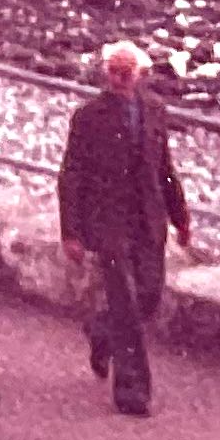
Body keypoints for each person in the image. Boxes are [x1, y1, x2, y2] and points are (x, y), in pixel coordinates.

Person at [58, 41, 190, 419]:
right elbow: (71, 175)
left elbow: (165, 169)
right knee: (127, 307)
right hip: (109, 225)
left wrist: (181, 217)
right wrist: (71, 231)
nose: (117, 78)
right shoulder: (88, 117)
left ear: (140, 75)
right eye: (112, 71)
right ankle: (132, 392)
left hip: (148, 222)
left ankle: (100, 332)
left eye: (125, 72)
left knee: (148, 295)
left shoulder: (155, 112)